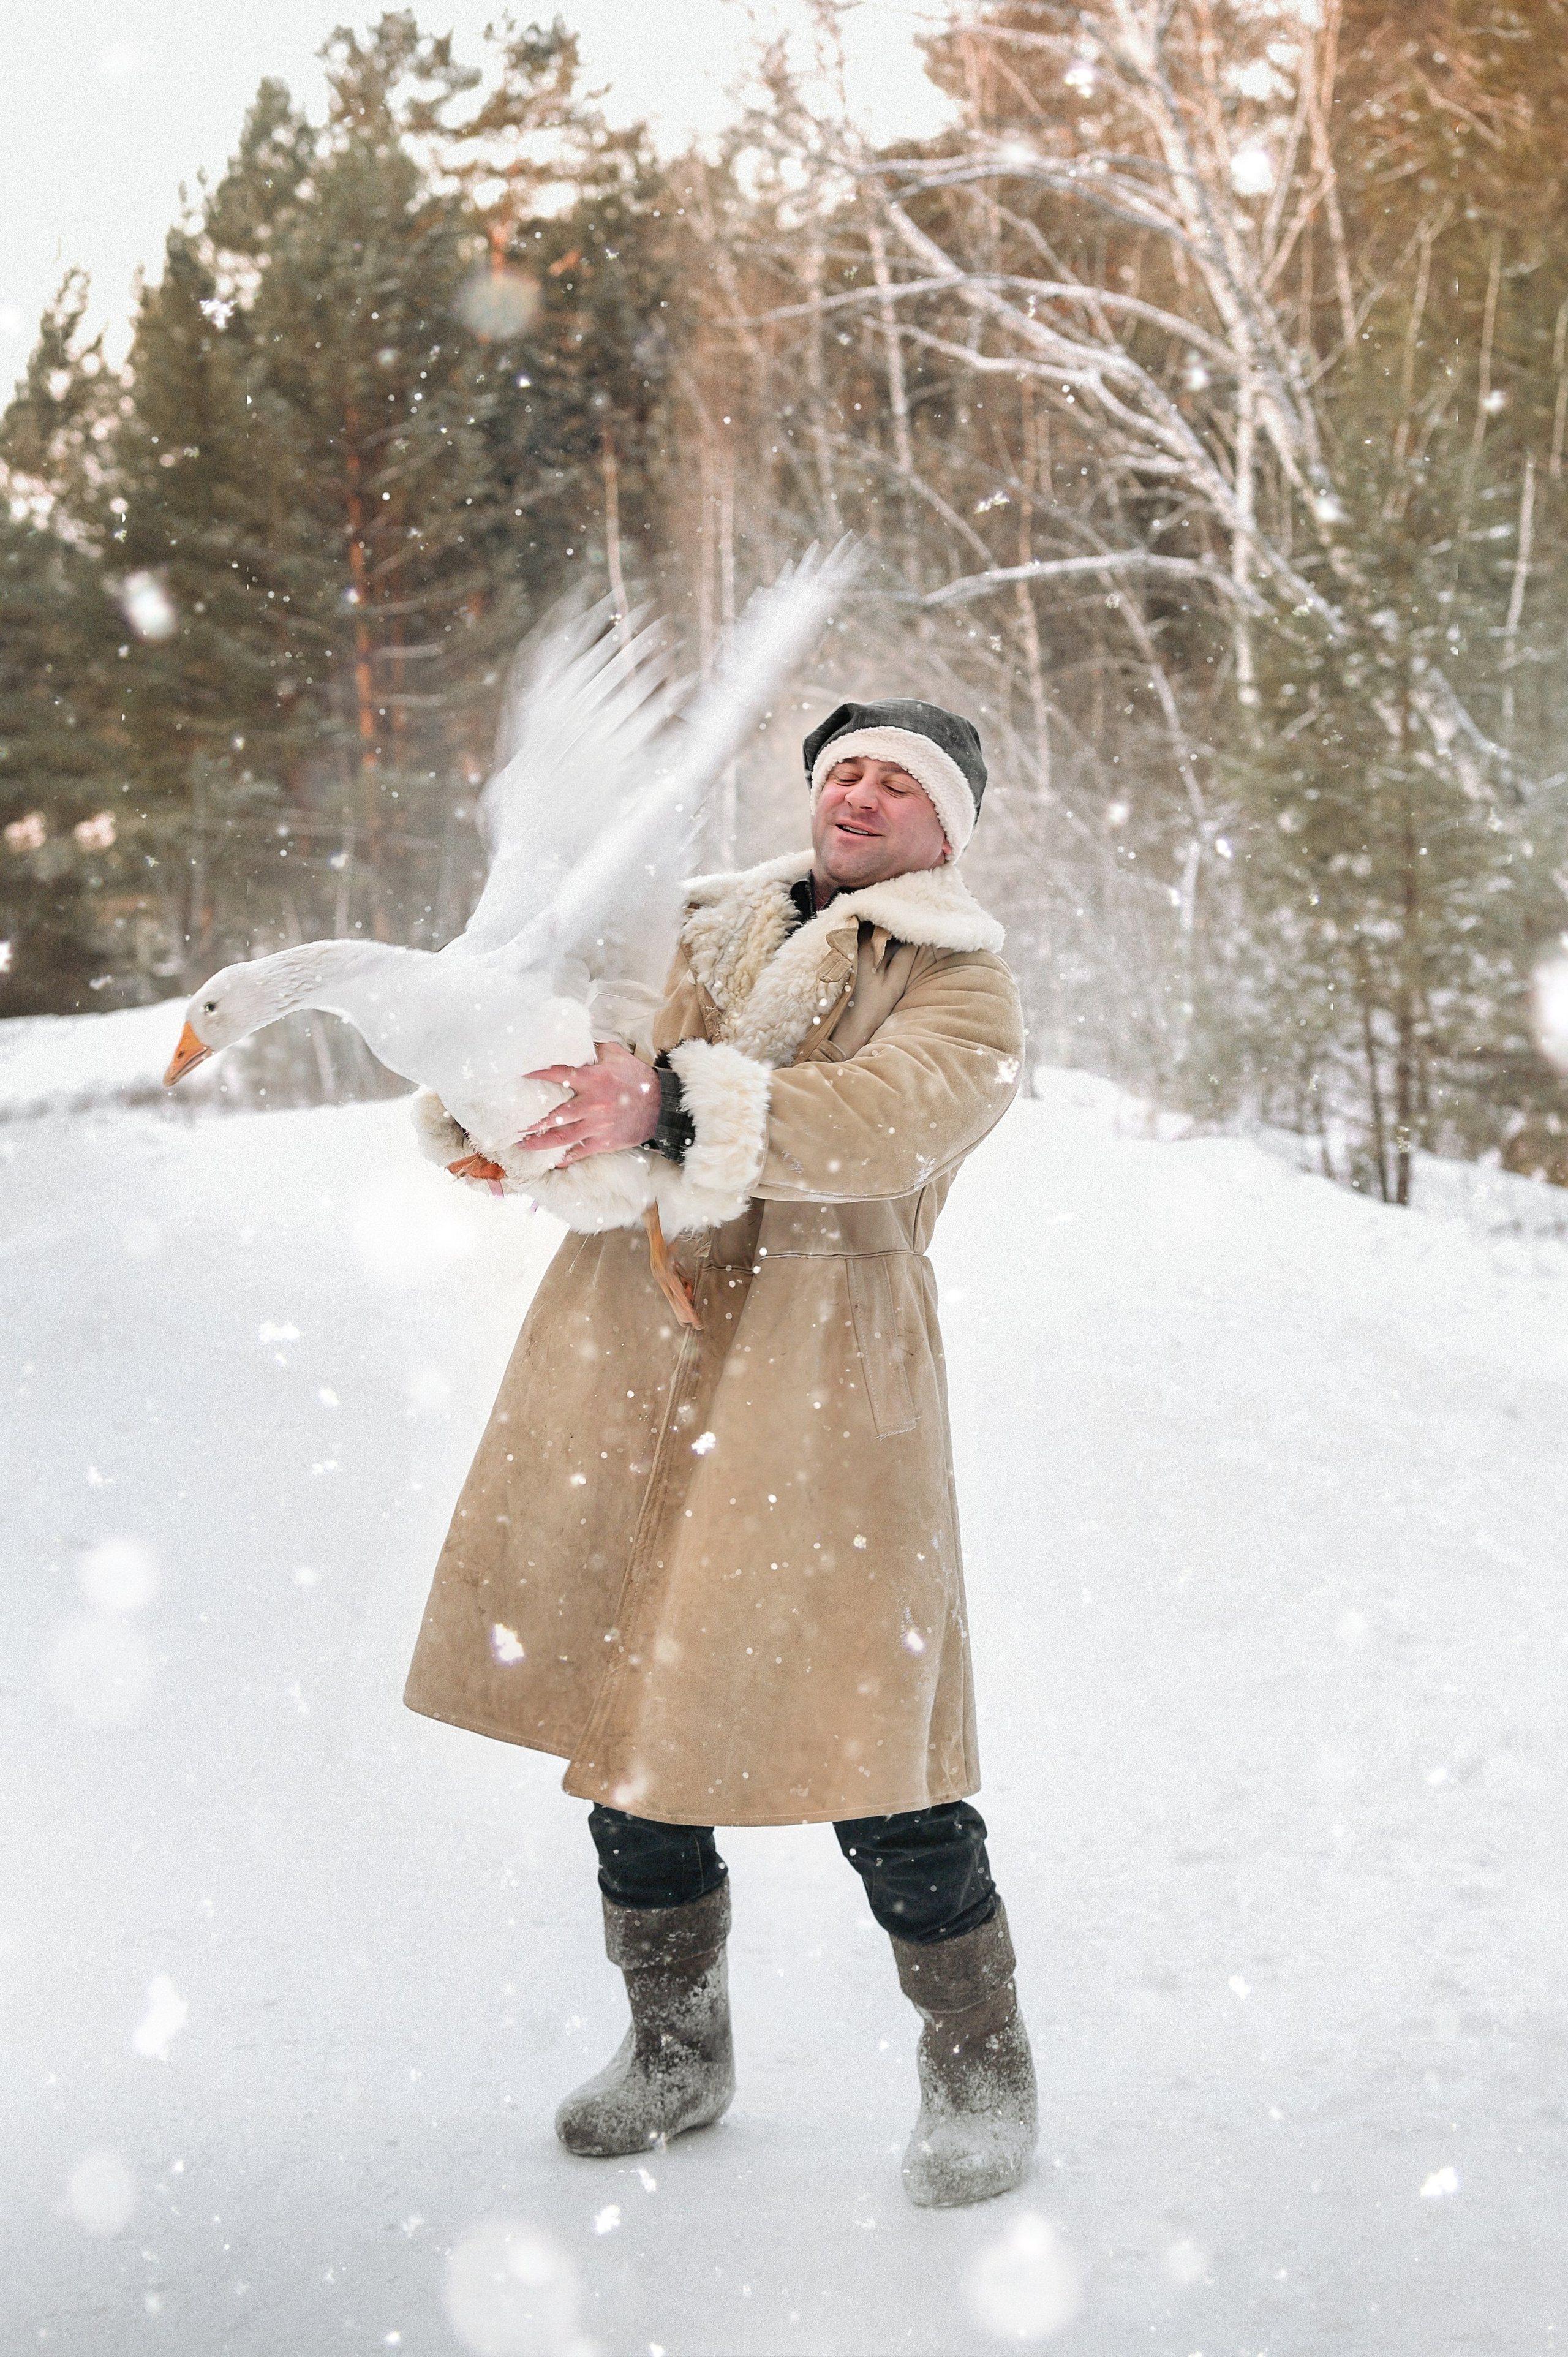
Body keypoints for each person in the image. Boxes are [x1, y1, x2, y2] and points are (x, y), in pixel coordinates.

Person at [404, 698, 1032, 2207]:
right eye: (843, 772)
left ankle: (979, 2071)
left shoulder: (963, 989)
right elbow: (584, 1040)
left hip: (820, 1378)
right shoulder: (698, 928)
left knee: (876, 1741)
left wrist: (673, 1099)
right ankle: (677, 2050)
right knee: (635, 1720)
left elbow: (887, 1119)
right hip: (629, 1352)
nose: (862, 792)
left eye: (898, 780)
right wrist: (518, 1112)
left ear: (945, 828)